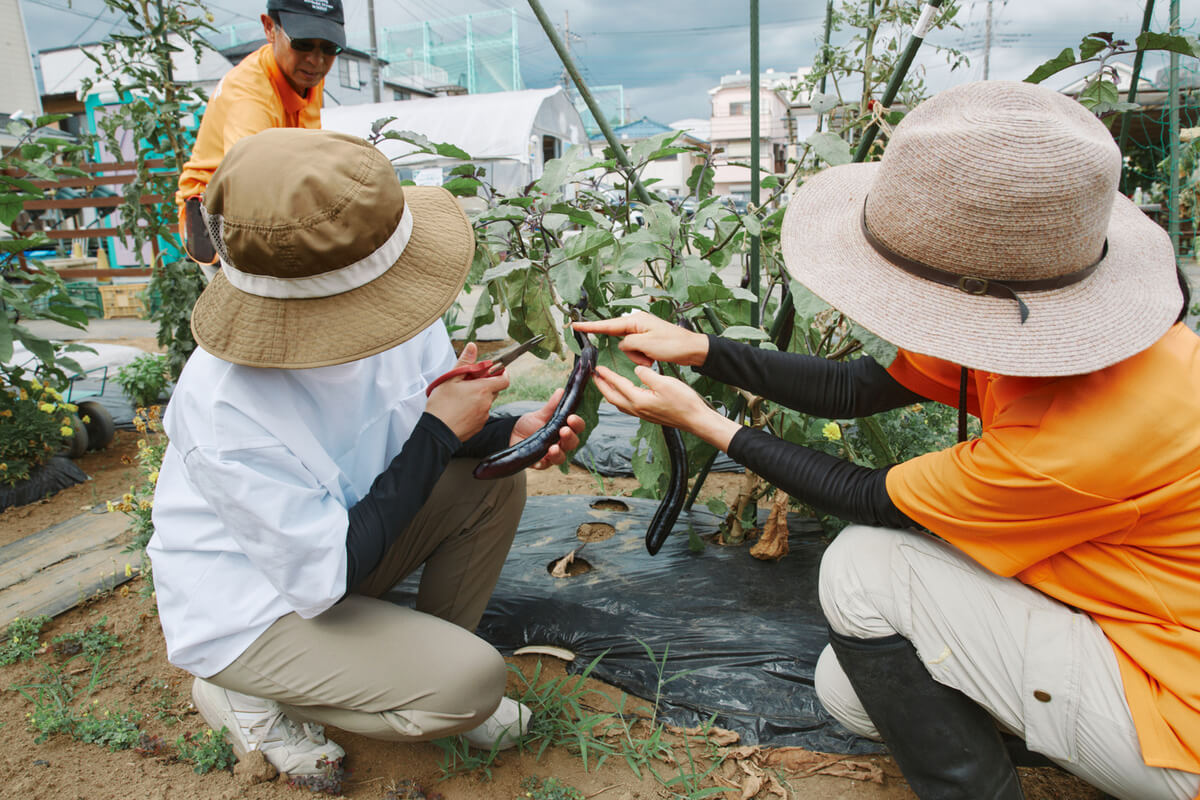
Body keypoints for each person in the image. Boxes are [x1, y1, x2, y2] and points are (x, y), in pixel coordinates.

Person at [575, 80, 1200, 800]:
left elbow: (870, 498)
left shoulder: (1083, 440)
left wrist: (706, 423)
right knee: (852, 689)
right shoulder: (1041, 320)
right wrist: (701, 349)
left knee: (866, 569)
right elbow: (860, 389)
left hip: (1174, 715)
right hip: (1124, 621)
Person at [149, 127, 585, 776]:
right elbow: (326, 578)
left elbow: (405, 427)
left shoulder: (387, 301)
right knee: (470, 684)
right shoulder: (226, 405)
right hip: (255, 604)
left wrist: (505, 432)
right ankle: (242, 692)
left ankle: (417, 663)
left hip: (341, 541)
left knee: (493, 480)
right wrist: (442, 431)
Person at [176, 0, 345, 271]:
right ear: (269, 28)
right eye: (302, 44)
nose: (316, 60)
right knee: (253, 309)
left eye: (329, 48)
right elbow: (250, 193)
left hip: (274, 201)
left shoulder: (307, 76)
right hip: (223, 215)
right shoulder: (250, 98)